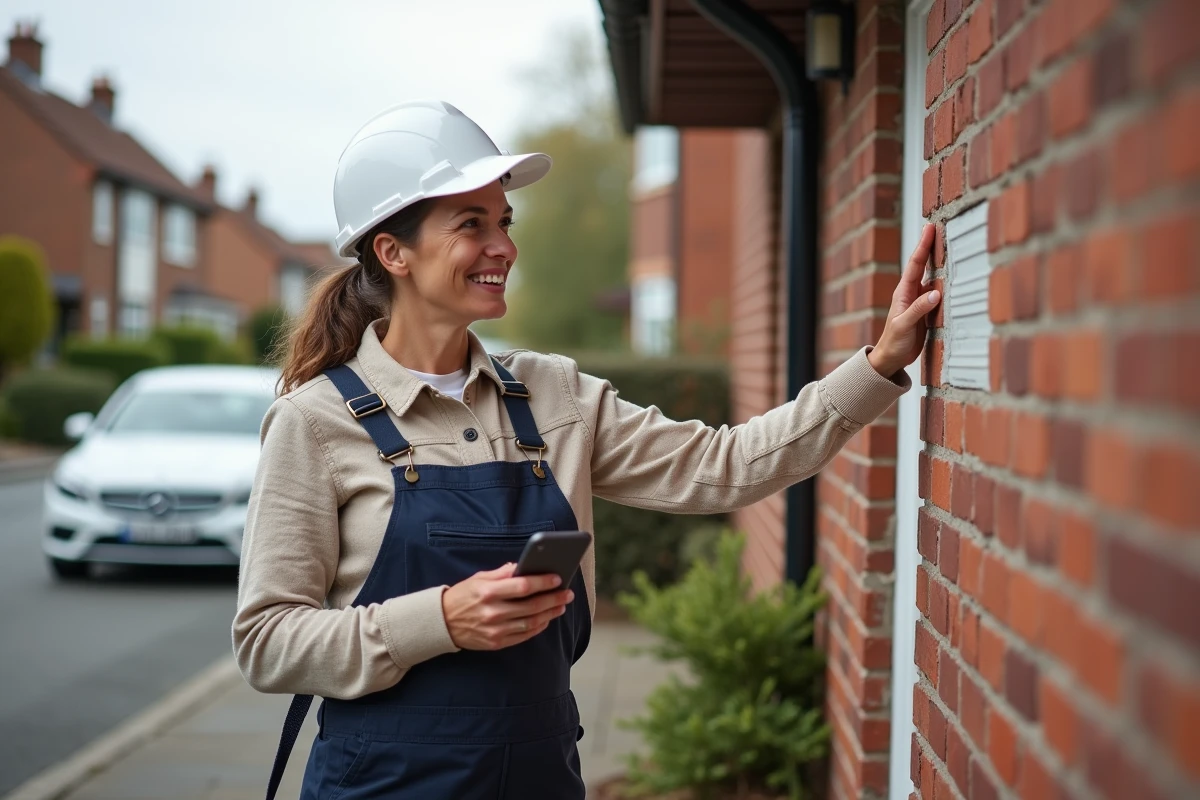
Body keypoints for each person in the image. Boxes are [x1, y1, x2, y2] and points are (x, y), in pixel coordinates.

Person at [233, 99, 941, 800]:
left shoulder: (554, 396)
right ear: (394, 252)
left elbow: (726, 467)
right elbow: (268, 640)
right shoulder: (316, 422)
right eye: (471, 224)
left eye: (504, 223)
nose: (503, 247)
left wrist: (877, 366)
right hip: (384, 785)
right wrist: (440, 620)